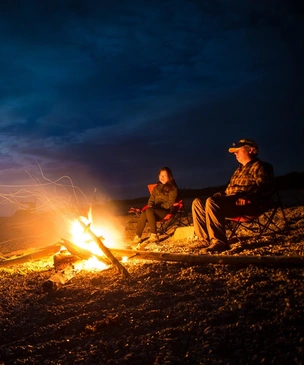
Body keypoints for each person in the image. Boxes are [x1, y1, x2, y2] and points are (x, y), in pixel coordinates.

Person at [192, 138, 275, 253]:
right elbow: (229, 190)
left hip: (247, 204)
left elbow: (265, 188)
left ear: (250, 150)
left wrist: (249, 198)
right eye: (234, 152)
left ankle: (219, 242)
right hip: (231, 201)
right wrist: (220, 195)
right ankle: (205, 239)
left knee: (212, 202)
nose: (235, 154)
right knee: (197, 202)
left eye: (238, 150)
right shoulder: (238, 170)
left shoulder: (261, 166)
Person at [133, 167, 178, 244]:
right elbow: (151, 199)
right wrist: (150, 205)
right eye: (161, 175)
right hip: (154, 211)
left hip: (165, 211)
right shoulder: (156, 188)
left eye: (165, 175)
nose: (162, 177)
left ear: (169, 176)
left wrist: (159, 207)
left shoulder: (173, 188)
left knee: (149, 210)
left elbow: (171, 202)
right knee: (144, 212)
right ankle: (138, 236)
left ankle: (154, 235)